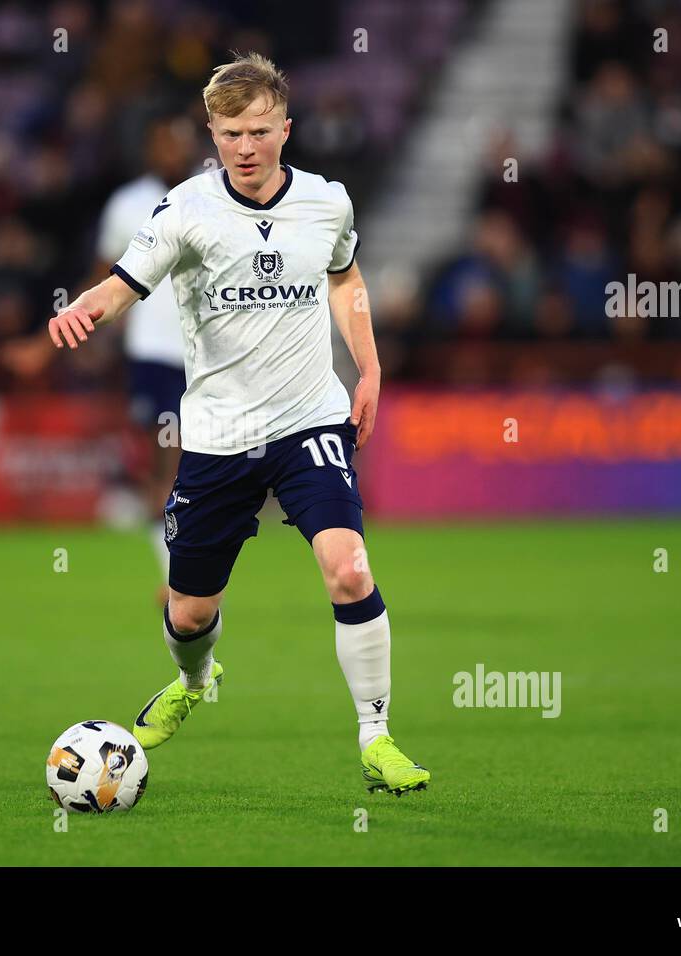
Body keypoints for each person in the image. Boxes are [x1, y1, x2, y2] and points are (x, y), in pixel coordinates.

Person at [47, 53, 428, 795]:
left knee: (349, 569)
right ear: (212, 134)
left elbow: (345, 277)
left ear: (285, 128)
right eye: (229, 134)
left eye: (258, 131)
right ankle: (193, 679)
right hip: (218, 437)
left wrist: (370, 367)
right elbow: (127, 281)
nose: (245, 148)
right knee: (190, 614)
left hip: (307, 421)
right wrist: (86, 308)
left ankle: (376, 738)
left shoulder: (328, 203)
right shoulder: (186, 209)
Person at [93, 114, 198, 605]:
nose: (172, 151)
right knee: (166, 462)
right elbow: (106, 276)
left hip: (208, 355)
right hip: (154, 354)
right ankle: (177, 575)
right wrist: (83, 325)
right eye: (163, 142)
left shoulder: (213, 196)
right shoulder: (128, 204)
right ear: (150, 149)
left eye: (179, 141)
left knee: (193, 465)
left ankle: (188, 572)